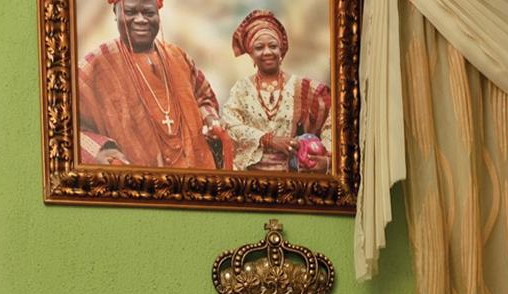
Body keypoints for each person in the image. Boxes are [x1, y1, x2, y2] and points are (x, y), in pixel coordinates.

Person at [77, 0, 227, 169]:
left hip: (196, 175)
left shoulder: (178, 56)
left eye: (148, 13)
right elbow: (66, 124)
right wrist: (101, 150)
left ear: (158, 15)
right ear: (115, 14)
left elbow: (203, 97)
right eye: (131, 12)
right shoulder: (96, 64)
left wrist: (210, 119)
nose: (141, 19)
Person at [222, 10, 334, 173]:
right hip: (248, 181)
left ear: (281, 50)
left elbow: (331, 123)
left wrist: (327, 159)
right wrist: (269, 140)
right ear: (251, 54)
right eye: (259, 47)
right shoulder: (241, 89)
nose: (267, 52)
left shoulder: (304, 88)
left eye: (273, 46)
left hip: (295, 182)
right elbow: (230, 124)